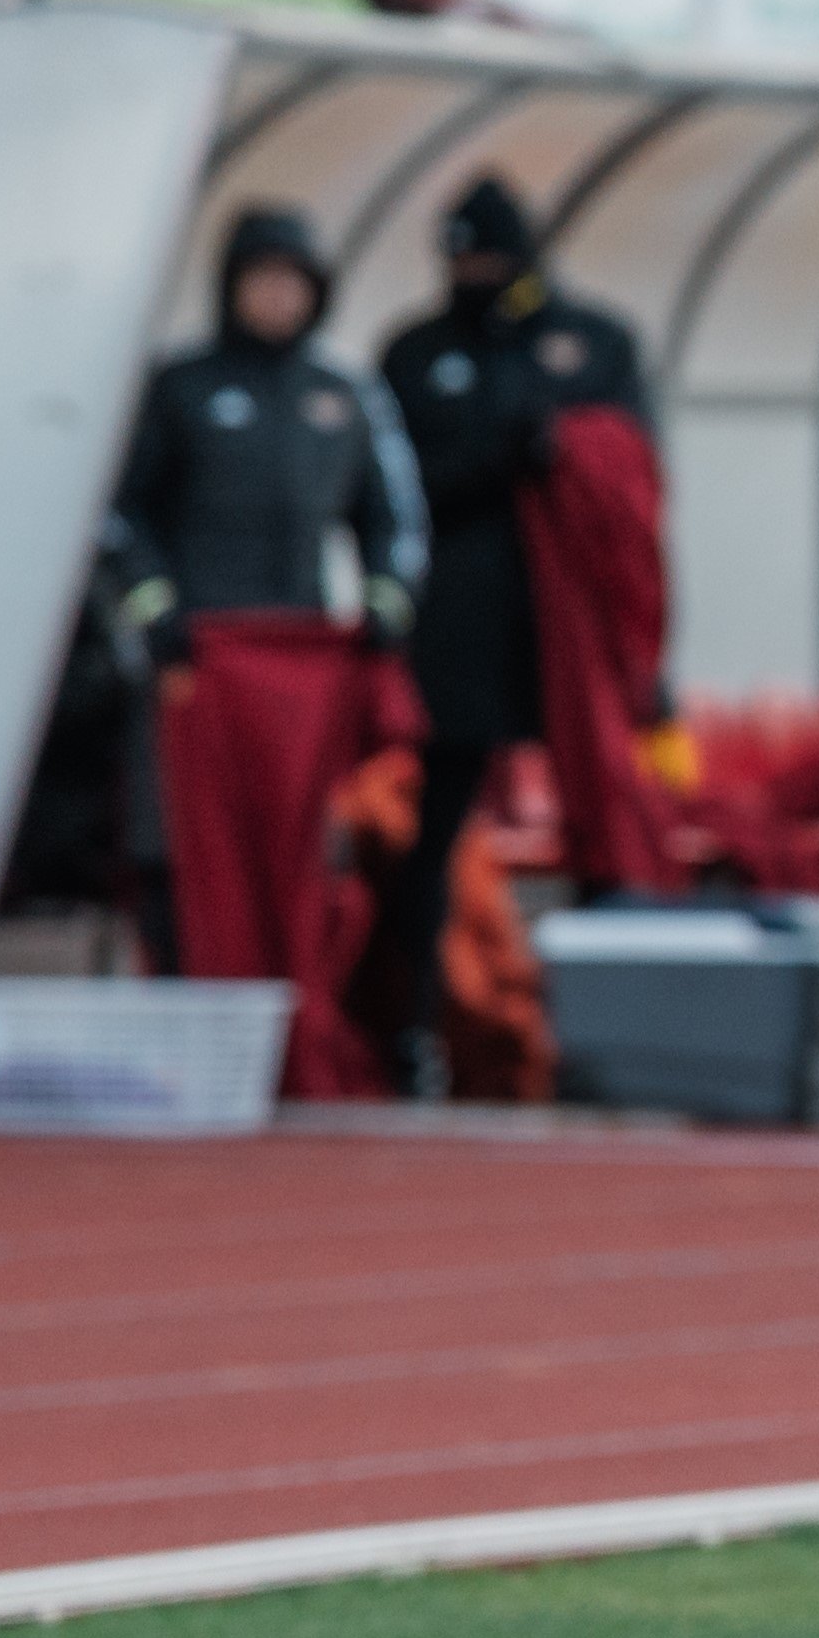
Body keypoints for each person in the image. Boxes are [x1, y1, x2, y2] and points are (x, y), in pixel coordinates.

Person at [107, 204, 419, 1051]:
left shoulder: (344, 395)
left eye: (294, 282)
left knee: (302, 848)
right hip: (200, 665)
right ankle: (186, 1021)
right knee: (185, 843)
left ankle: (293, 1024)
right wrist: (157, 613)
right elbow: (122, 515)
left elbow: (393, 520)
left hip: (298, 675)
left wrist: (385, 607)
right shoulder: (181, 388)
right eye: (263, 279)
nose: (278, 297)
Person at [371, 180, 658, 1091]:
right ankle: (412, 1033)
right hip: (455, 629)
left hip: (573, 634)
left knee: (605, 819)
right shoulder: (416, 353)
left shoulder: (597, 342)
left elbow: (636, 486)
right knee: (433, 829)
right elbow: (395, 489)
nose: (478, 274)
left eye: (491, 257)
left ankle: (616, 1035)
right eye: (464, 258)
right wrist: (504, 457)